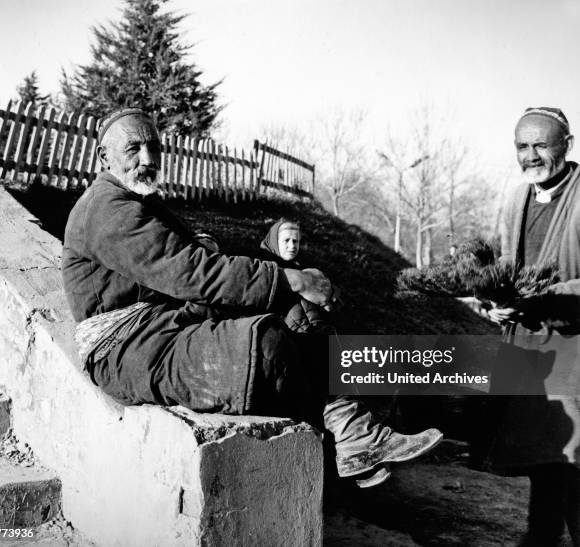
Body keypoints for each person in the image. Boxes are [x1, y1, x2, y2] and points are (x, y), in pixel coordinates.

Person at [62, 107, 442, 488]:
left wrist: (284, 284)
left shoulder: (135, 203)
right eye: (133, 148)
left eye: (153, 147)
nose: (147, 159)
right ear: (104, 158)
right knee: (267, 344)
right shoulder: (106, 208)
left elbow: (181, 264)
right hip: (128, 349)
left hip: (163, 324)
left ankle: (355, 432)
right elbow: (192, 272)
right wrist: (289, 277)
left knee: (295, 310)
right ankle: (349, 437)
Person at [485, 107, 580, 546]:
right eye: (523, 146)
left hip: (574, 347)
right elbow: (504, 267)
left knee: (573, 460)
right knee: (547, 466)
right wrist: (494, 301)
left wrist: (543, 299)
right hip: (528, 351)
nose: (531, 155)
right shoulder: (515, 199)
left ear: (568, 145)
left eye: (542, 144)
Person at [259, 219, 332, 334]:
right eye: (286, 240)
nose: (292, 246)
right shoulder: (263, 270)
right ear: (275, 241)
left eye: (295, 241)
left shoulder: (304, 265)